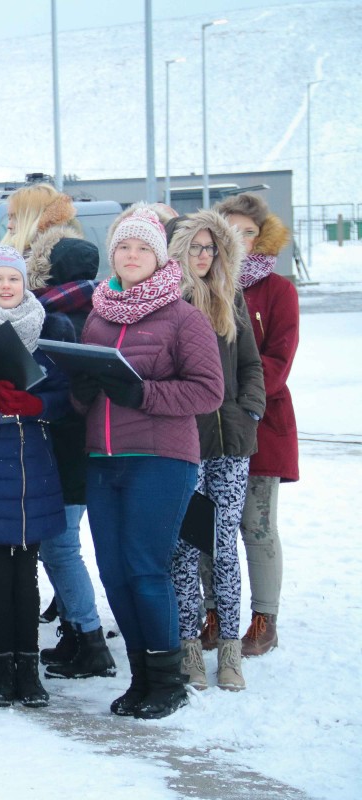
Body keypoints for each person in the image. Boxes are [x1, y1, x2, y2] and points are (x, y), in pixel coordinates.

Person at [73, 205, 224, 720]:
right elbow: (84, 401)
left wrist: (143, 393)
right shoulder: (98, 316)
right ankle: (141, 677)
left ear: (159, 258)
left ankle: (167, 680)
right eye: (124, 246)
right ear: (113, 254)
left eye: (142, 248)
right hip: (103, 459)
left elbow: (209, 391)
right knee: (114, 572)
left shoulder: (183, 317)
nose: (132, 255)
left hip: (160, 459)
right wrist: (81, 388)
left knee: (144, 567)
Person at [0, 246, 74, 708]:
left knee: (27, 575)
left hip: (31, 469)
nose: (5, 286)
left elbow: (66, 399)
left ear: (25, 284)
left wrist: (37, 404)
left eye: (13, 278)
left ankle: (29, 667)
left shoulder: (46, 331)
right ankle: (2, 669)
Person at [166, 211, 265, 692]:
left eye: (211, 247)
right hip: (187, 440)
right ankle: (188, 644)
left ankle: (229, 649)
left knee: (224, 546)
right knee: (185, 547)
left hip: (232, 441)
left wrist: (250, 410)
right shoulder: (167, 301)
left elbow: (251, 364)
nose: (204, 256)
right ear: (177, 251)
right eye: (195, 247)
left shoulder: (231, 297)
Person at [22, 202, 115, 682]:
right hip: (87, 449)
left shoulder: (52, 318)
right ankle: (78, 635)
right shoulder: (101, 314)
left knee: (60, 549)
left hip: (63, 450)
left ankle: (90, 639)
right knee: (63, 547)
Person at [215, 193, 297, 658]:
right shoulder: (204, 281)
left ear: (262, 237)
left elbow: (278, 361)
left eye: (249, 232)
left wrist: (230, 388)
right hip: (209, 423)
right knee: (208, 524)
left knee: (256, 524)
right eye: (232, 230)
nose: (241, 239)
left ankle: (265, 618)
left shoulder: (278, 290)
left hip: (262, 423)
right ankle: (212, 613)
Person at [1, 183, 85, 262]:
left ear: (37, 219)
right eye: (9, 218)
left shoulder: (63, 259)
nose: (9, 226)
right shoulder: (10, 255)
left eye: (17, 218)